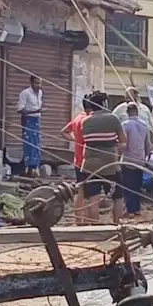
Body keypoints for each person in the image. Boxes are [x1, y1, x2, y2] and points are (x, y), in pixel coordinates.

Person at [81, 91, 126, 224]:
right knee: (118, 196)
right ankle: (117, 224)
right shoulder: (113, 119)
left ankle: (94, 227)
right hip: (110, 164)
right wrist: (117, 154)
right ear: (104, 103)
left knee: (93, 198)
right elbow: (123, 142)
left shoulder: (85, 121)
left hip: (90, 165)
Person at [61, 95, 92, 224]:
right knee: (90, 193)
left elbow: (63, 131)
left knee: (80, 191)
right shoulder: (90, 120)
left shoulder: (78, 118)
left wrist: (75, 140)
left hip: (77, 160)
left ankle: (78, 219)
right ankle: (87, 220)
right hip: (89, 160)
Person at [121, 102, 151, 216]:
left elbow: (124, 144)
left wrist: (119, 155)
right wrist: (147, 156)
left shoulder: (125, 124)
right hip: (141, 159)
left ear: (127, 112)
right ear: (137, 112)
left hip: (128, 160)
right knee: (137, 185)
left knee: (129, 185)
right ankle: (137, 208)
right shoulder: (144, 124)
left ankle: (130, 209)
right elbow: (148, 143)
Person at [17, 75, 44, 176]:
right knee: (29, 144)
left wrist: (38, 112)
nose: (39, 85)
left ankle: (35, 168)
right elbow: (20, 110)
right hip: (28, 120)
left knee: (36, 144)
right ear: (31, 83)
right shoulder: (25, 93)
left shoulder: (40, 92)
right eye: (37, 83)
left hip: (37, 120)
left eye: (40, 83)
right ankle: (27, 168)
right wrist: (35, 111)